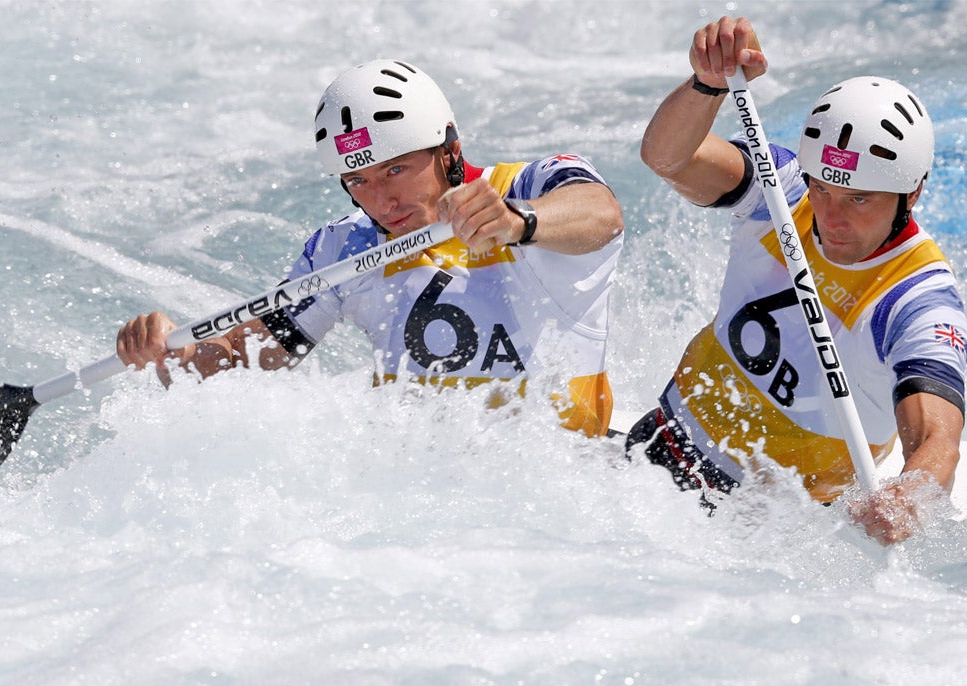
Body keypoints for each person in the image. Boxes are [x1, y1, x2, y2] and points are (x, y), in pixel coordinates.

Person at [116, 59, 624, 438]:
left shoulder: (529, 186)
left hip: (562, 477)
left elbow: (602, 214)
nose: (381, 201)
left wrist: (518, 222)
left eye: (395, 171)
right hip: (417, 491)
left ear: (450, 150)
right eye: (358, 181)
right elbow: (245, 354)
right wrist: (172, 354)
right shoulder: (345, 246)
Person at [630, 16, 966, 545]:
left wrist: (910, 493)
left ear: (912, 194)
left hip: (777, 534)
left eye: (858, 199)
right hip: (657, 457)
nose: (830, 217)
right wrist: (708, 86)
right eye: (825, 187)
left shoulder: (919, 302)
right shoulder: (782, 188)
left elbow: (938, 439)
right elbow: (667, 157)